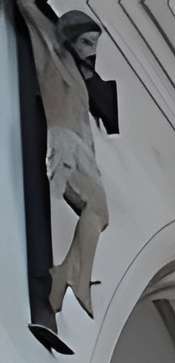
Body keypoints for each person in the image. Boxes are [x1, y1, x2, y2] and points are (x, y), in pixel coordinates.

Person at [15, 4, 111, 319]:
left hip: (81, 151)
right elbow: (30, 11)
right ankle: (72, 277)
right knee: (97, 209)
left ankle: (67, 275)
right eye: (86, 42)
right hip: (63, 143)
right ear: (68, 37)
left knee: (101, 213)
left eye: (95, 44)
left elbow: (86, 121)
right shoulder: (52, 54)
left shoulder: (83, 81)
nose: (92, 51)